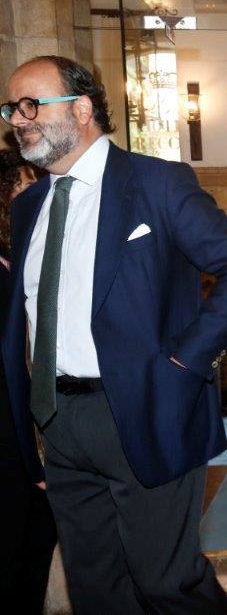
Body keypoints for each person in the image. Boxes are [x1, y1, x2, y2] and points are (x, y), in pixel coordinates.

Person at [1, 55, 227, 612]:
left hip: (145, 406)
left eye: (32, 105)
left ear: (81, 109)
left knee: (165, 582)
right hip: (58, 418)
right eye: (12, 108)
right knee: (96, 586)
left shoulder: (155, 182)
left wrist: (184, 363)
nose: (18, 119)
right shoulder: (29, 205)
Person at [0, 148, 55, 614]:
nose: (31, 191)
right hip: (10, 443)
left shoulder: (12, 260)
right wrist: (31, 458)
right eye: (22, 183)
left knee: (36, 545)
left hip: (24, 436)